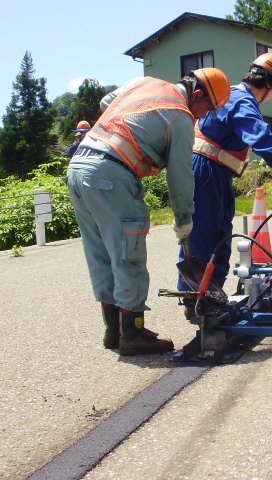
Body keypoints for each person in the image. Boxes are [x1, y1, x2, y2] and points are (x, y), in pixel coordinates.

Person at [66, 69, 231, 355]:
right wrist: (184, 219)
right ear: (198, 94)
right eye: (208, 109)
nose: (204, 117)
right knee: (127, 253)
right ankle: (132, 334)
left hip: (79, 167)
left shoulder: (145, 84)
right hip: (111, 175)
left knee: (101, 253)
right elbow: (180, 177)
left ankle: (113, 331)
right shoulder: (180, 117)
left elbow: (107, 102)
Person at [176, 53, 272, 317]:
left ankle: (210, 297)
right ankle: (197, 299)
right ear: (271, 85)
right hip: (207, 170)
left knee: (220, 236)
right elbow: (258, 135)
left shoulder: (238, 97)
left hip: (216, 172)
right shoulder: (241, 99)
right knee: (205, 235)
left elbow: (265, 134)